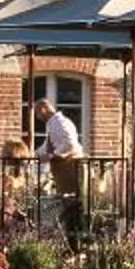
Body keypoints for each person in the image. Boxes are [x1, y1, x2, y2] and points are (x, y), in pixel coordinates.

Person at [36, 96, 87, 242]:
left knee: (72, 205)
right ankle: (71, 239)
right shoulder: (53, 124)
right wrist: (34, 155)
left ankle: (75, 241)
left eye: (38, 114)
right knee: (67, 205)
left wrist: (52, 156)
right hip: (62, 170)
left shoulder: (60, 122)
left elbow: (70, 143)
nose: (38, 117)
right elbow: (48, 145)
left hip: (69, 167)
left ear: (43, 109)